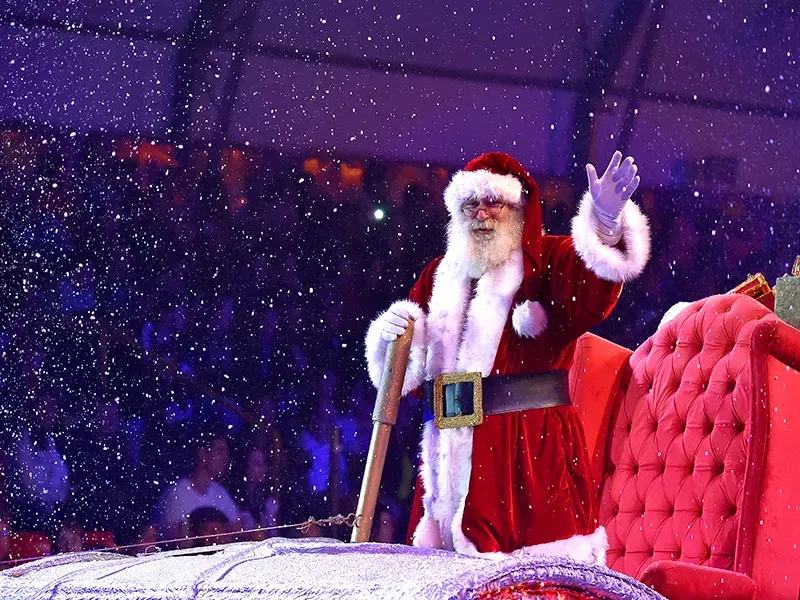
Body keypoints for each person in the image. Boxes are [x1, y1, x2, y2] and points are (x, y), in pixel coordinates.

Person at [364, 151, 650, 563]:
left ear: (518, 209)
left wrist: (604, 225)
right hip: (446, 464)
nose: (482, 214)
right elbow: (409, 375)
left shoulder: (547, 263)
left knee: (534, 580)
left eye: (494, 202)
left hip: (528, 459)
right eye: (471, 204)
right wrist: (392, 341)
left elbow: (593, 291)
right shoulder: (438, 276)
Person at [154, 434, 242, 539]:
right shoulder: (177, 493)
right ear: (202, 454)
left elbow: (238, 531)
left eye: (226, 453)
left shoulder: (220, 492)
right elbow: (178, 543)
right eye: (219, 451)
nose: (225, 458)